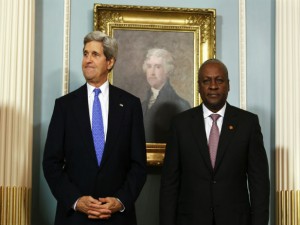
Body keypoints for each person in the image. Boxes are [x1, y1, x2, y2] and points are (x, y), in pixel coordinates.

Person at [43, 31, 147, 225]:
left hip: (117, 218)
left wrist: (120, 201)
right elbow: (51, 163)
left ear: (110, 62)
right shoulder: (64, 106)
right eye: (85, 54)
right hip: (74, 218)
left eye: (95, 54)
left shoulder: (130, 105)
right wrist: (76, 200)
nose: (88, 60)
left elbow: (138, 165)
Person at [159, 59, 270, 225]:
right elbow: (169, 184)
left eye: (219, 80)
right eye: (206, 81)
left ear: (228, 85)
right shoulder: (180, 125)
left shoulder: (248, 123)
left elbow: (259, 183)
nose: (213, 86)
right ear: (199, 86)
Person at [141, 48, 190, 143]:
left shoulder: (181, 105)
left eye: (158, 67)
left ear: (167, 71)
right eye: (149, 66)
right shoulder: (142, 106)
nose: (152, 72)